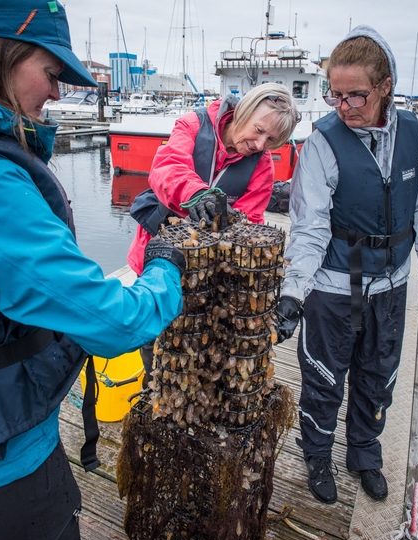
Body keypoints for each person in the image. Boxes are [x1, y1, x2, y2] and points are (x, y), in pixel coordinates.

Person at [0, 1, 186, 540]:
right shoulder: (0, 184)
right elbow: (112, 320)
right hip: (10, 470)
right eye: (51, 74)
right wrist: (166, 268)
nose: (57, 94)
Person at [277, 25, 418, 505]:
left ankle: (364, 452)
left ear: (386, 86)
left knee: (379, 375)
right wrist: (291, 293)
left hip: (392, 283)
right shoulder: (323, 142)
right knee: (324, 375)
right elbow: (307, 228)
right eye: (336, 95)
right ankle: (318, 453)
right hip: (333, 284)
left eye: (356, 96)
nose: (344, 107)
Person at [127, 82, 301, 384]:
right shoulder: (194, 124)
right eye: (259, 130)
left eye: (270, 140)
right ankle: (152, 383)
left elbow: (251, 221)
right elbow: (167, 167)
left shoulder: (260, 166)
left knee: (198, 341)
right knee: (152, 334)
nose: (260, 144)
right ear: (244, 110)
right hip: (159, 255)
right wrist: (197, 194)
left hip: (210, 273)